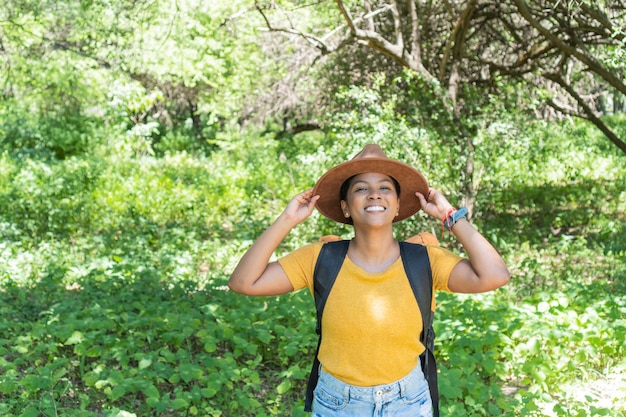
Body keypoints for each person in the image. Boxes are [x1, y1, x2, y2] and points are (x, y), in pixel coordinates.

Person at [228, 144, 510, 416]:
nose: (374, 195)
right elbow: (243, 282)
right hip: (336, 402)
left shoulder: (425, 260)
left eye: (385, 188)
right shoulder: (319, 258)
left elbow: (495, 275)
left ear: (398, 206)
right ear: (346, 206)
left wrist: (451, 216)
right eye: (361, 188)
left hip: (408, 402)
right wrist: (286, 220)